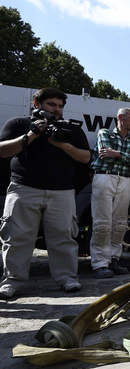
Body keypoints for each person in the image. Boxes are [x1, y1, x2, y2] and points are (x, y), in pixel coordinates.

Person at [0, 88, 91, 298]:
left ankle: (68, 279)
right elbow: (3, 151)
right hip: (24, 189)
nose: (57, 110)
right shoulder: (18, 124)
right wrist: (32, 134)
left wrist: (63, 145)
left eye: (60, 106)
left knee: (64, 238)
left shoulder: (71, 130)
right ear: (37, 104)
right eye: (52, 104)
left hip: (62, 192)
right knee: (17, 237)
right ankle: (12, 281)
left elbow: (85, 157)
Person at [90, 108, 130, 278]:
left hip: (124, 180)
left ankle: (114, 259)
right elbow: (105, 154)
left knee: (120, 222)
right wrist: (125, 157)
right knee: (102, 222)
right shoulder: (105, 133)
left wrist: (117, 154)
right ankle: (100, 264)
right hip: (105, 178)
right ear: (120, 117)